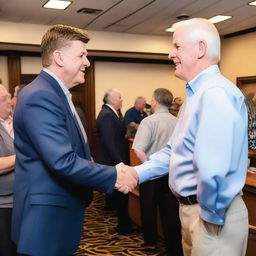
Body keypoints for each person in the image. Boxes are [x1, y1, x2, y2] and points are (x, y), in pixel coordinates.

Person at [117, 18, 249, 256]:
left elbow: (214, 169)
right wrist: (137, 172)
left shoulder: (215, 94)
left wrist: (208, 219)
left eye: (177, 46)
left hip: (210, 216)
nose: (171, 54)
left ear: (200, 49)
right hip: (193, 212)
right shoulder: (196, 94)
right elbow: (174, 150)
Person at [11, 24, 136, 256]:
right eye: (81, 55)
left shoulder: (54, 93)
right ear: (59, 57)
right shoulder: (41, 95)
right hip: (45, 219)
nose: (87, 62)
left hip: (56, 213)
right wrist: (115, 175)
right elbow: (63, 161)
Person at [132, 88, 183, 255]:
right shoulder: (177, 121)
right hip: (173, 173)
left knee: (148, 208)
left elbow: (138, 150)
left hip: (152, 173)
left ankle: (150, 243)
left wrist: (150, 167)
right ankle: (173, 247)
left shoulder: (148, 121)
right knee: (171, 213)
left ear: (154, 101)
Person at [96, 89, 133, 234]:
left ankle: (124, 224)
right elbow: (109, 142)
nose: (122, 100)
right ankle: (124, 226)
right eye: (120, 97)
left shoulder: (112, 113)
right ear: (111, 100)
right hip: (113, 162)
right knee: (120, 196)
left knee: (119, 196)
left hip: (114, 160)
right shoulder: (107, 115)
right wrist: (120, 163)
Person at [0, 85, 17, 256]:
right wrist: (26, 156)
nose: (9, 102)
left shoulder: (16, 121)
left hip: (22, 197)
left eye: (9, 97)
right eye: (4, 99)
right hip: (3, 202)